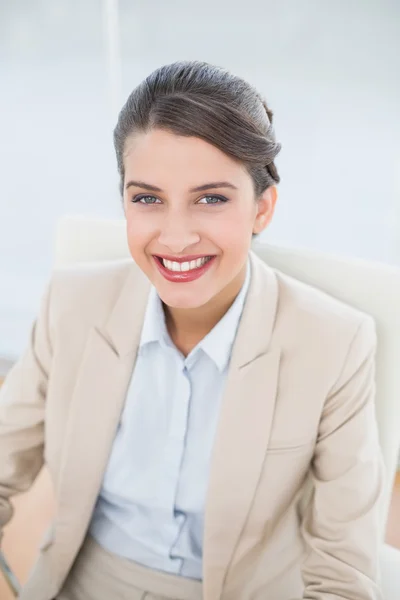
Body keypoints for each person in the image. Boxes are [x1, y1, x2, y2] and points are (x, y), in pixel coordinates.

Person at [0, 60, 383, 600]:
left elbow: (343, 574)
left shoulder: (334, 344)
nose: (175, 238)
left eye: (211, 199)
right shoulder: (72, 304)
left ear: (262, 208)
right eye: (148, 198)